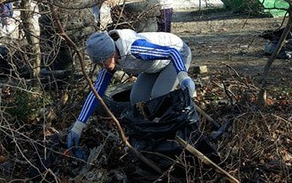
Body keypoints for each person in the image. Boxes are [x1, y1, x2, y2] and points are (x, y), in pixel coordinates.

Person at [66, 29, 195, 153]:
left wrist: (183, 77)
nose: (102, 66)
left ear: (111, 52)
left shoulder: (134, 48)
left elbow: (172, 52)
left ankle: (169, 136)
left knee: (159, 96)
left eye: (103, 61)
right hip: (154, 65)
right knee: (137, 98)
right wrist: (78, 126)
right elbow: (96, 92)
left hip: (178, 55)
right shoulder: (110, 60)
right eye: (99, 64)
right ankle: (148, 135)